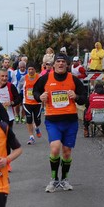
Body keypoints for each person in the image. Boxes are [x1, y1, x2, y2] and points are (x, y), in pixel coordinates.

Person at [32, 53, 88, 192]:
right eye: (58, 61)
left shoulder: (73, 80)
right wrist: (40, 97)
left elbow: (84, 98)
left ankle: (64, 179)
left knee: (67, 152)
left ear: (67, 65)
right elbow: (35, 91)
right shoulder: (45, 78)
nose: (61, 64)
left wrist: (76, 96)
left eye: (63, 62)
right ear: (54, 64)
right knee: (55, 148)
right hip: (53, 120)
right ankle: (53, 179)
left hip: (70, 120)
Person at [22, 63, 43, 145]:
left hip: (37, 102)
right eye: (29, 69)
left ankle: (36, 127)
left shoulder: (39, 77)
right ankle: (31, 137)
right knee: (29, 119)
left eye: (32, 69)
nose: (30, 71)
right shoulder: (24, 78)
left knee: (37, 120)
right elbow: (19, 86)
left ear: (35, 70)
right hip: (27, 102)